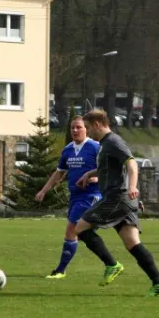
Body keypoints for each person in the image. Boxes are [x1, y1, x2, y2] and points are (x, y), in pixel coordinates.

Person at [75, 109, 159, 297]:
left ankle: (112, 264)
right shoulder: (104, 144)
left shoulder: (113, 141)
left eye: (87, 127)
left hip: (117, 197)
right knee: (132, 243)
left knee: (80, 228)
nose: (86, 132)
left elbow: (131, 164)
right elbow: (110, 166)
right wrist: (90, 174)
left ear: (96, 124)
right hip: (123, 199)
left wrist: (133, 186)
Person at [35, 116, 101, 279]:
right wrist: (44, 190)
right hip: (75, 197)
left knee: (72, 229)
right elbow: (59, 173)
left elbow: (110, 169)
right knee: (78, 232)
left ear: (86, 129)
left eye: (79, 127)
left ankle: (60, 270)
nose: (75, 130)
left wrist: (97, 178)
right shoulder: (68, 150)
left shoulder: (96, 147)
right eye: (72, 128)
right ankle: (110, 263)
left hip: (91, 195)